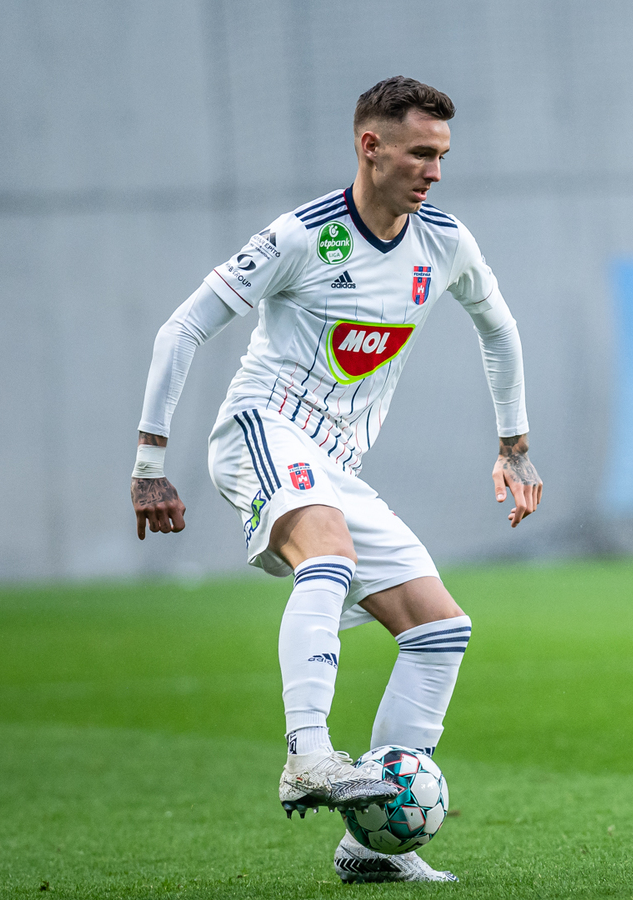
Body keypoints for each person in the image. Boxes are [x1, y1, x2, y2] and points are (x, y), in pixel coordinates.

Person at [129, 76, 542, 883]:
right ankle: (308, 755)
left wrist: (515, 446)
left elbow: (499, 328)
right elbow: (183, 328)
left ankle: (373, 849)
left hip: (333, 467)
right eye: (419, 153)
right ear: (370, 146)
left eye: (442, 155)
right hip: (260, 430)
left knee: (440, 631)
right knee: (330, 553)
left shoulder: (444, 243)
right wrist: (150, 462)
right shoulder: (301, 237)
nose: (434, 172)